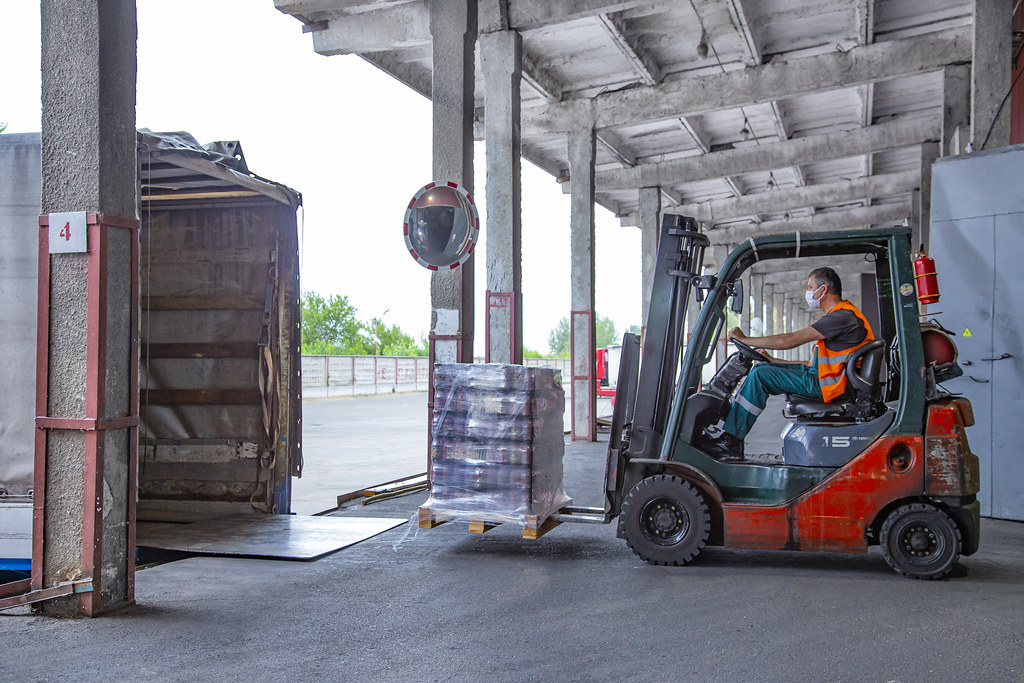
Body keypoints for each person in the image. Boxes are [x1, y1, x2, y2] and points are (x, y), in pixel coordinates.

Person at [701, 267, 875, 458]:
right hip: (827, 380)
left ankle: (731, 441)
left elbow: (789, 341)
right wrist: (773, 360)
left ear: (823, 289)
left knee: (760, 375)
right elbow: (810, 364)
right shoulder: (842, 316)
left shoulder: (841, 316)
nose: (808, 292)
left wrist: (746, 339)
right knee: (764, 368)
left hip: (830, 386)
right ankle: (733, 428)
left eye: (810, 287)